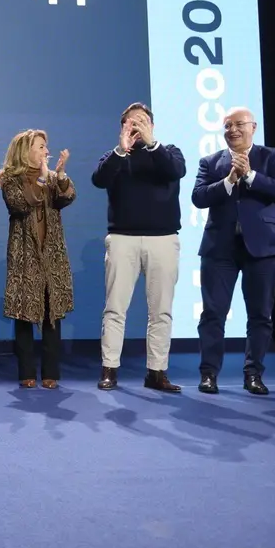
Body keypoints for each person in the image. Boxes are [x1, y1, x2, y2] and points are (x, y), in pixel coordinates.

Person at [191, 106, 275, 395]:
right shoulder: (210, 162)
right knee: (213, 314)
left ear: (253, 127)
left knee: (260, 315)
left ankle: (253, 374)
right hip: (219, 248)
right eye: (227, 126)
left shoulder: (273, 156)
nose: (233, 130)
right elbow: (198, 197)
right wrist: (228, 181)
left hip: (264, 247)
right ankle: (209, 374)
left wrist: (250, 176)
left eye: (239, 124)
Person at [90, 102, 186, 393]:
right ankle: (109, 370)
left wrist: (152, 144)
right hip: (123, 239)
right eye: (131, 122)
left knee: (161, 311)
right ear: (123, 127)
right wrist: (121, 151)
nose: (137, 126)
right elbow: (99, 180)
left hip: (163, 239)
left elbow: (175, 171)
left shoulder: (169, 152)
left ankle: (156, 372)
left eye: (142, 121)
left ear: (152, 126)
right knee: (115, 309)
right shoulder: (114, 157)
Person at [0, 129, 75, 389]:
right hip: (25, 254)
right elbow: (19, 204)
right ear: (26, 151)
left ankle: (51, 372)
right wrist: (41, 180)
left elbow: (67, 198)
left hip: (51, 254)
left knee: (52, 312)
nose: (46, 151)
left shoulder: (52, 177)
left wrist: (60, 174)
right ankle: (26, 371)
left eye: (45, 147)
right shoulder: (10, 179)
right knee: (24, 312)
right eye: (41, 147)